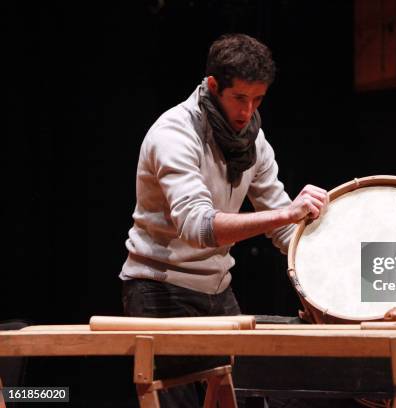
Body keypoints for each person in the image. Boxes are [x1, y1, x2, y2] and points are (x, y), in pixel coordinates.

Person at [119, 33, 328, 407]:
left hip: (217, 290)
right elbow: (198, 228)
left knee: (246, 393)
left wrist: (334, 262)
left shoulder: (253, 141)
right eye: (239, 98)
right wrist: (288, 212)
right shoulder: (175, 133)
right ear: (213, 86)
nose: (248, 112)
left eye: (258, 99)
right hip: (160, 289)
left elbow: (284, 230)